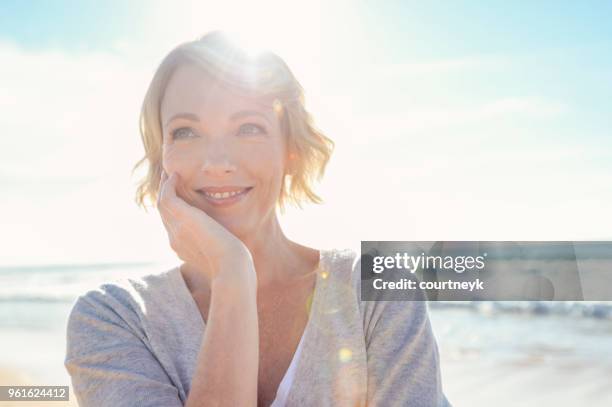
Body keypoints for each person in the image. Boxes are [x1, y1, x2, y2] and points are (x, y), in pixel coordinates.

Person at [64, 30, 452, 407]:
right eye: (185, 132)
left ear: (291, 150)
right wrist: (232, 273)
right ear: (161, 155)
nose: (217, 163)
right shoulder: (112, 318)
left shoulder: (377, 292)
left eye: (248, 128)